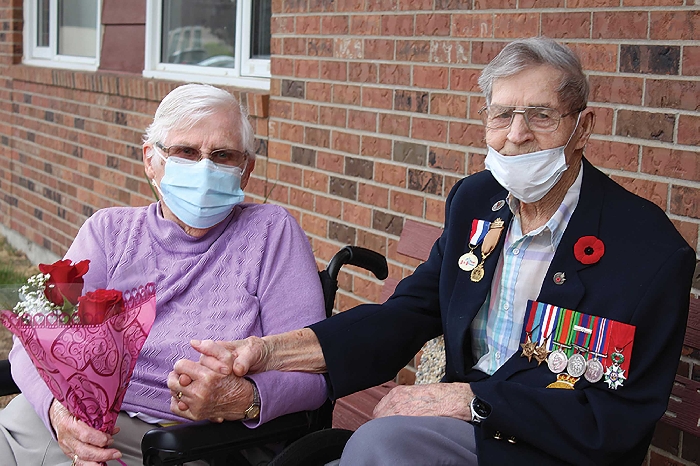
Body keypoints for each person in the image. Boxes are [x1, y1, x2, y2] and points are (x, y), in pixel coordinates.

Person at [182, 37, 696, 465]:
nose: (516, 136)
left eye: (541, 116)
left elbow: (612, 420)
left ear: (581, 127)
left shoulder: (644, 250)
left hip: (548, 448)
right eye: (502, 116)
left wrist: (462, 398)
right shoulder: (478, 202)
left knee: (379, 444)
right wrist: (270, 350)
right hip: (460, 435)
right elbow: (409, 313)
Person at [0, 84, 328, 466]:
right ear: (150, 161)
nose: (204, 168)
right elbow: (32, 338)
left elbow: (312, 373)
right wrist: (57, 413)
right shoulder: (109, 232)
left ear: (246, 169)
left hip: (189, 442)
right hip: (71, 421)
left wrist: (241, 397)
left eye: (222, 155)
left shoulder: (272, 233)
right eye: (185, 152)